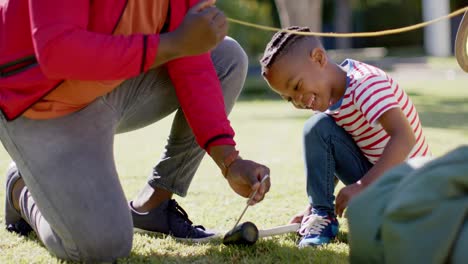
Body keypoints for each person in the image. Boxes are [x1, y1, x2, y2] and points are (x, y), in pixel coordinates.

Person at [0, 0, 271, 262]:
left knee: (225, 57)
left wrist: (229, 160)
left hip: (109, 85)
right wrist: (174, 43)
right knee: (103, 246)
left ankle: (153, 206)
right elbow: (57, 52)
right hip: (33, 102)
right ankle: (20, 188)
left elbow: (192, 61)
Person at [260, 26, 431, 247]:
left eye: (297, 86)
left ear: (319, 58)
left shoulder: (365, 84)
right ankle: (323, 216)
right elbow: (331, 157)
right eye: (289, 98)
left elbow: (404, 138)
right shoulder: (329, 102)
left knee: (317, 126)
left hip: (412, 188)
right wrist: (314, 207)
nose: (299, 100)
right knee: (319, 128)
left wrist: (362, 185)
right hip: (380, 185)